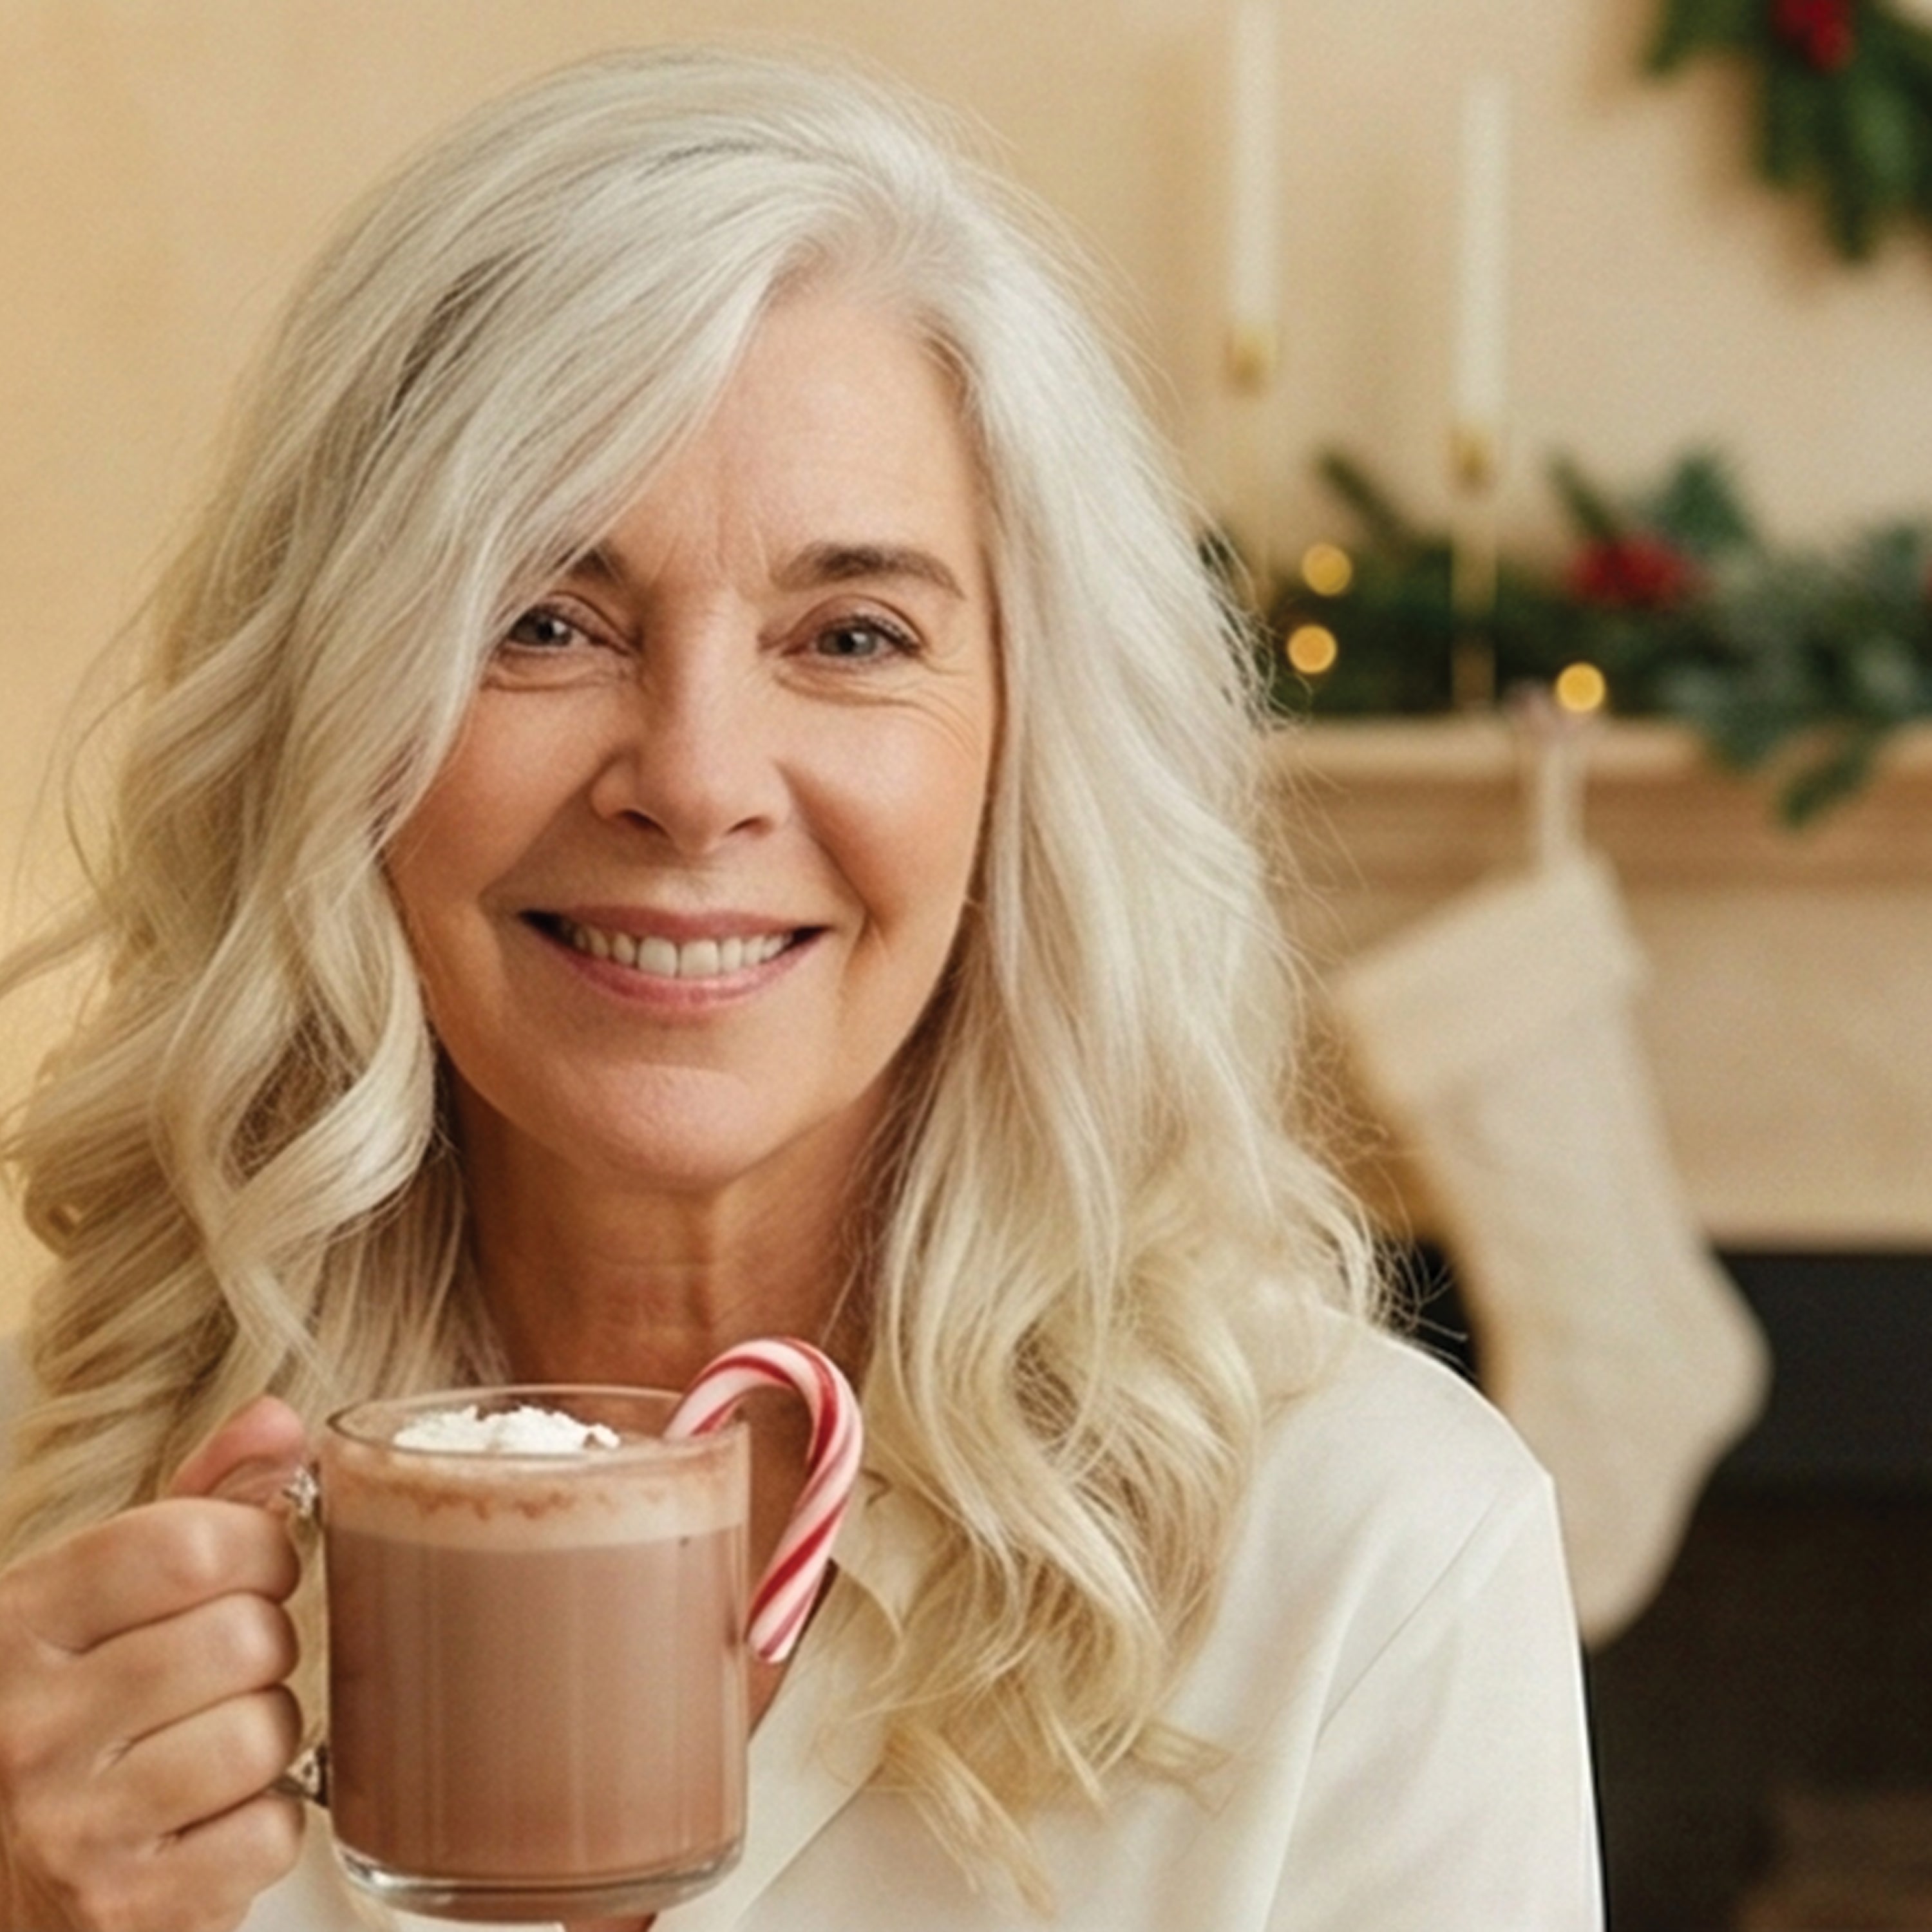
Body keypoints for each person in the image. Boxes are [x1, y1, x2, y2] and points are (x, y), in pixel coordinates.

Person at [0, 44, 1602, 1932]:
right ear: (331, 720)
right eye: (542, 619)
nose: (692, 775)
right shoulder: (68, 1535)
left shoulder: (1368, 1561)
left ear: (1028, 752)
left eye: (854, 636)